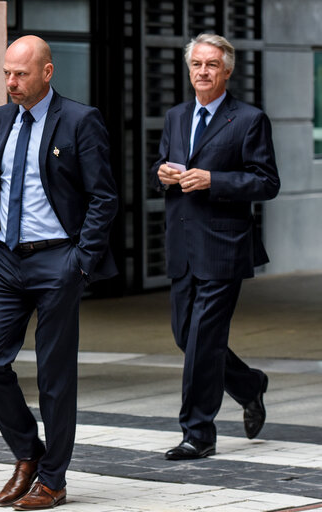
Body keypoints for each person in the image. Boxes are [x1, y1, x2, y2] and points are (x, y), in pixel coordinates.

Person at [0, 36, 118, 510]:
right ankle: (28, 452)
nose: (11, 82)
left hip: (57, 261)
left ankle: (53, 480)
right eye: (7, 73)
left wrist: (80, 261)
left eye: (20, 74)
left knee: (54, 376)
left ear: (47, 73)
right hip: (5, 260)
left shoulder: (81, 120)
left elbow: (103, 196)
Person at [151, 33, 280, 460]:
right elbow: (162, 161)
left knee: (204, 338)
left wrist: (214, 181)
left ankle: (198, 433)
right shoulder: (175, 116)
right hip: (182, 243)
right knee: (185, 336)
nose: (202, 72)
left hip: (224, 246)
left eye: (210, 65)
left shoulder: (248, 119)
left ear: (227, 70)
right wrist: (163, 173)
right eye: (196, 65)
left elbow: (266, 182)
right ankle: (249, 384)